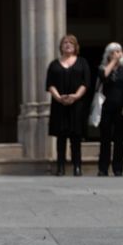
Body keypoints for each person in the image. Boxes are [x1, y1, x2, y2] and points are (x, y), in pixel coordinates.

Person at [46, 34, 91, 176]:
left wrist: (76, 96)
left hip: (77, 105)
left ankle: (77, 166)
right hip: (59, 105)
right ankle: (60, 167)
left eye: (70, 42)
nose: (67, 45)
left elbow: (86, 83)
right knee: (61, 137)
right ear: (61, 46)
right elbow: (49, 84)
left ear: (75, 46)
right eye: (65, 42)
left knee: (76, 137)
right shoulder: (54, 64)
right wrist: (59, 97)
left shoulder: (82, 62)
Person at [96, 42, 123, 176]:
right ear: (108, 54)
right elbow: (104, 76)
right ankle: (103, 168)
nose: (116, 54)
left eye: (118, 51)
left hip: (121, 108)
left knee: (119, 139)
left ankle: (118, 168)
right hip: (105, 108)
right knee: (105, 138)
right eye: (112, 52)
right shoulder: (102, 68)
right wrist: (113, 62)